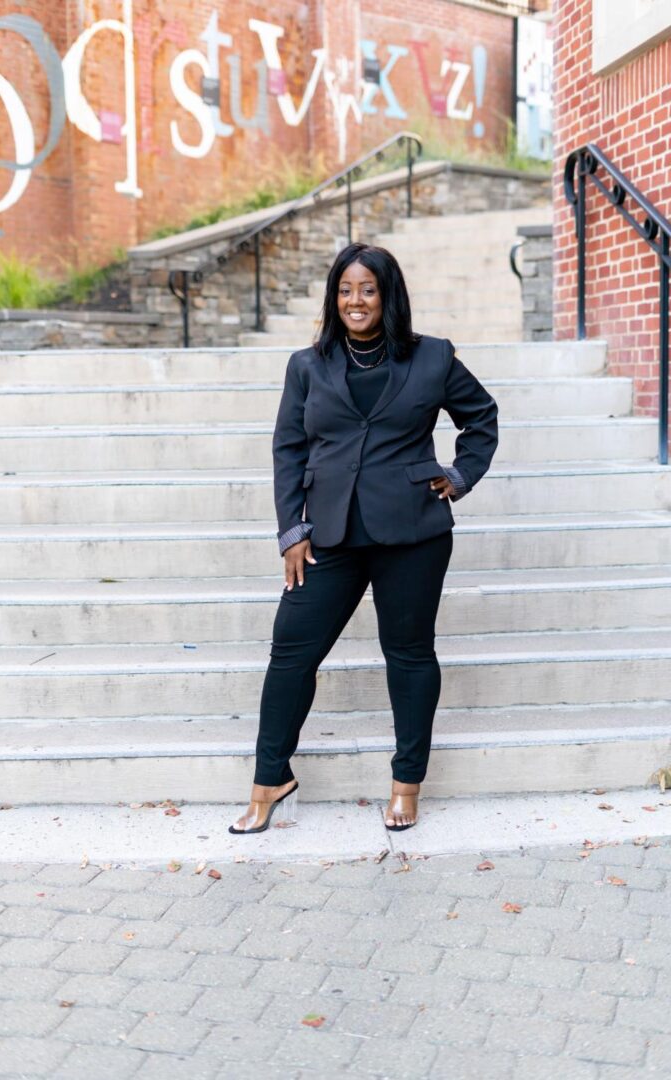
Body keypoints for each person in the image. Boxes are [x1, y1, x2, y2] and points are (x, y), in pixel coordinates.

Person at [229, 242, 498, 835]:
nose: (356, 300)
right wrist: (292, 529)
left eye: (368, 290)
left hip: (413, 532)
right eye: (346, 290)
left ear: (387, 295)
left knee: (407, 654)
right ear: (334, 297)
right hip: (329, 533)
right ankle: (270, 778)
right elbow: (288, 450)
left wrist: (458, 476)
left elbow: (481, 418)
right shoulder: (307, 364)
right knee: (291, 651)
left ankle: (407, 783)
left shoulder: (432, 357)